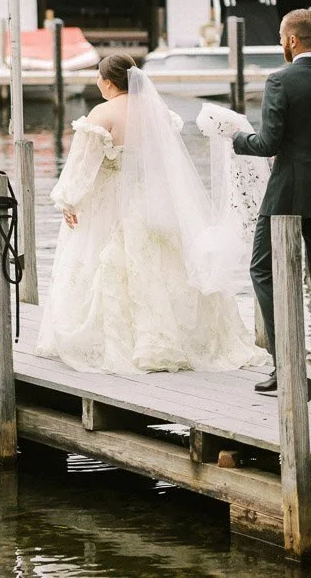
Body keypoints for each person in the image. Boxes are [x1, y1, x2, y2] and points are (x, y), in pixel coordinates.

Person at [36, 53, 268, 375]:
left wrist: (67, 200)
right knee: (163, 266)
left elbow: (82, 167)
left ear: (107, 82)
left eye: (99, 82)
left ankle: (125, 343)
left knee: (110, 265)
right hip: (154, 201)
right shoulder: (157, 112)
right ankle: (176, 337)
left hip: (113, 201)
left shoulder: (102, 113)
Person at [220, 7, 311, 403]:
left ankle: (286, 364)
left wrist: (236, 138)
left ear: (293, 40)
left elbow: (269, 144)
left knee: (262, 269)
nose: (281, 44)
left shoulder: (280, 80)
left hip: (287, 193)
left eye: (281, 37)